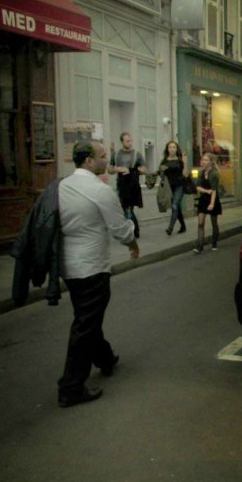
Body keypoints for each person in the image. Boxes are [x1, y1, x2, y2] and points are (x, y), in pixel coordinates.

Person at [57, 142, 139, 408]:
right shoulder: (99, 190)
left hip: (69, 267)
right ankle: (71, 387)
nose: (107, 160)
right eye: (103, 156)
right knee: (85, 324)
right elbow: (120, 228)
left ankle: (105, 358)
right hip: (92, 267)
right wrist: (133, 244)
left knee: (87, 317)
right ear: (89, 161)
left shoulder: (62, 186)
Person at [108, 132, 147, 238]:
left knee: (129, 209)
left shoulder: (136, 154)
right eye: (127, 141)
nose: (129, 143)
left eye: (130, 141)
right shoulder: (116, 155)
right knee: (124, 209)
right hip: (121, 184)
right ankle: (134, 230)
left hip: (133, 184)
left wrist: (131, 170)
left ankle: (134, 231)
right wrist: (117, 169)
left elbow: (144, 169)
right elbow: (110, 169)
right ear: (122, 142)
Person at [159, 140, 190, 235]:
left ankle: (170, 228)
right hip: (169, 187)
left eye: (174, 147)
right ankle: (183, 226)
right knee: (177, 207)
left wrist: (185, 163)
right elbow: (161, 174)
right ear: (167, 149)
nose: (171, 149)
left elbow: (186, 174)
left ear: (177, 149)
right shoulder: (164, 161)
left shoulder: (181, 160)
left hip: (179, 185)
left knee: (174, 205)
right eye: (170, 147)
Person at [193, 152, 222, 254]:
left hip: (213, 199)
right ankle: (199, 246)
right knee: (200, 223)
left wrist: (212, 204)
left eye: (206, 160)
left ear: (210, 162)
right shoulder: (200, 173)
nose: (203, 162)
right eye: (202, 160)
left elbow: (214, 190)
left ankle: (214, 242)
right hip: (203, 199)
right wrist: (205, 191)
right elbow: (197, 187)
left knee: (214, 222)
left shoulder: (215, 173)